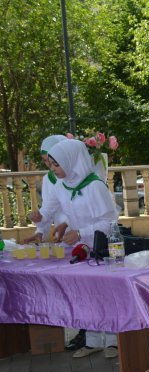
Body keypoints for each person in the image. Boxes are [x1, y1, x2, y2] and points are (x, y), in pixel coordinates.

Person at [46, 139, 120, 358]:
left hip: (101, 250)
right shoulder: (63, 185)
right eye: (51, 164)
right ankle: (93, 339)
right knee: (87, 295)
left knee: (106, 294)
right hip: (81, 251)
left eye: (56, 164)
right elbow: (72, 214)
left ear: (70, 161)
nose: (53, 169)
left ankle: (114, 340)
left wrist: (80, 233)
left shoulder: (94, 186)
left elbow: (109, 223)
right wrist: (64, 225)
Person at [21, 135, 87, 351]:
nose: (49, 165)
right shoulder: (50, 179)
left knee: (86, 287)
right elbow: (48, 209)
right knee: (74, 289)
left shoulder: (83, 177)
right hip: (65, 241)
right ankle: (85, 332)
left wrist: (67, 224)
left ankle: (92, 334)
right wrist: (39, 230)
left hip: (81, 237)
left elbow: (85, 210)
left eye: (53, 161)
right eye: (46, 161)